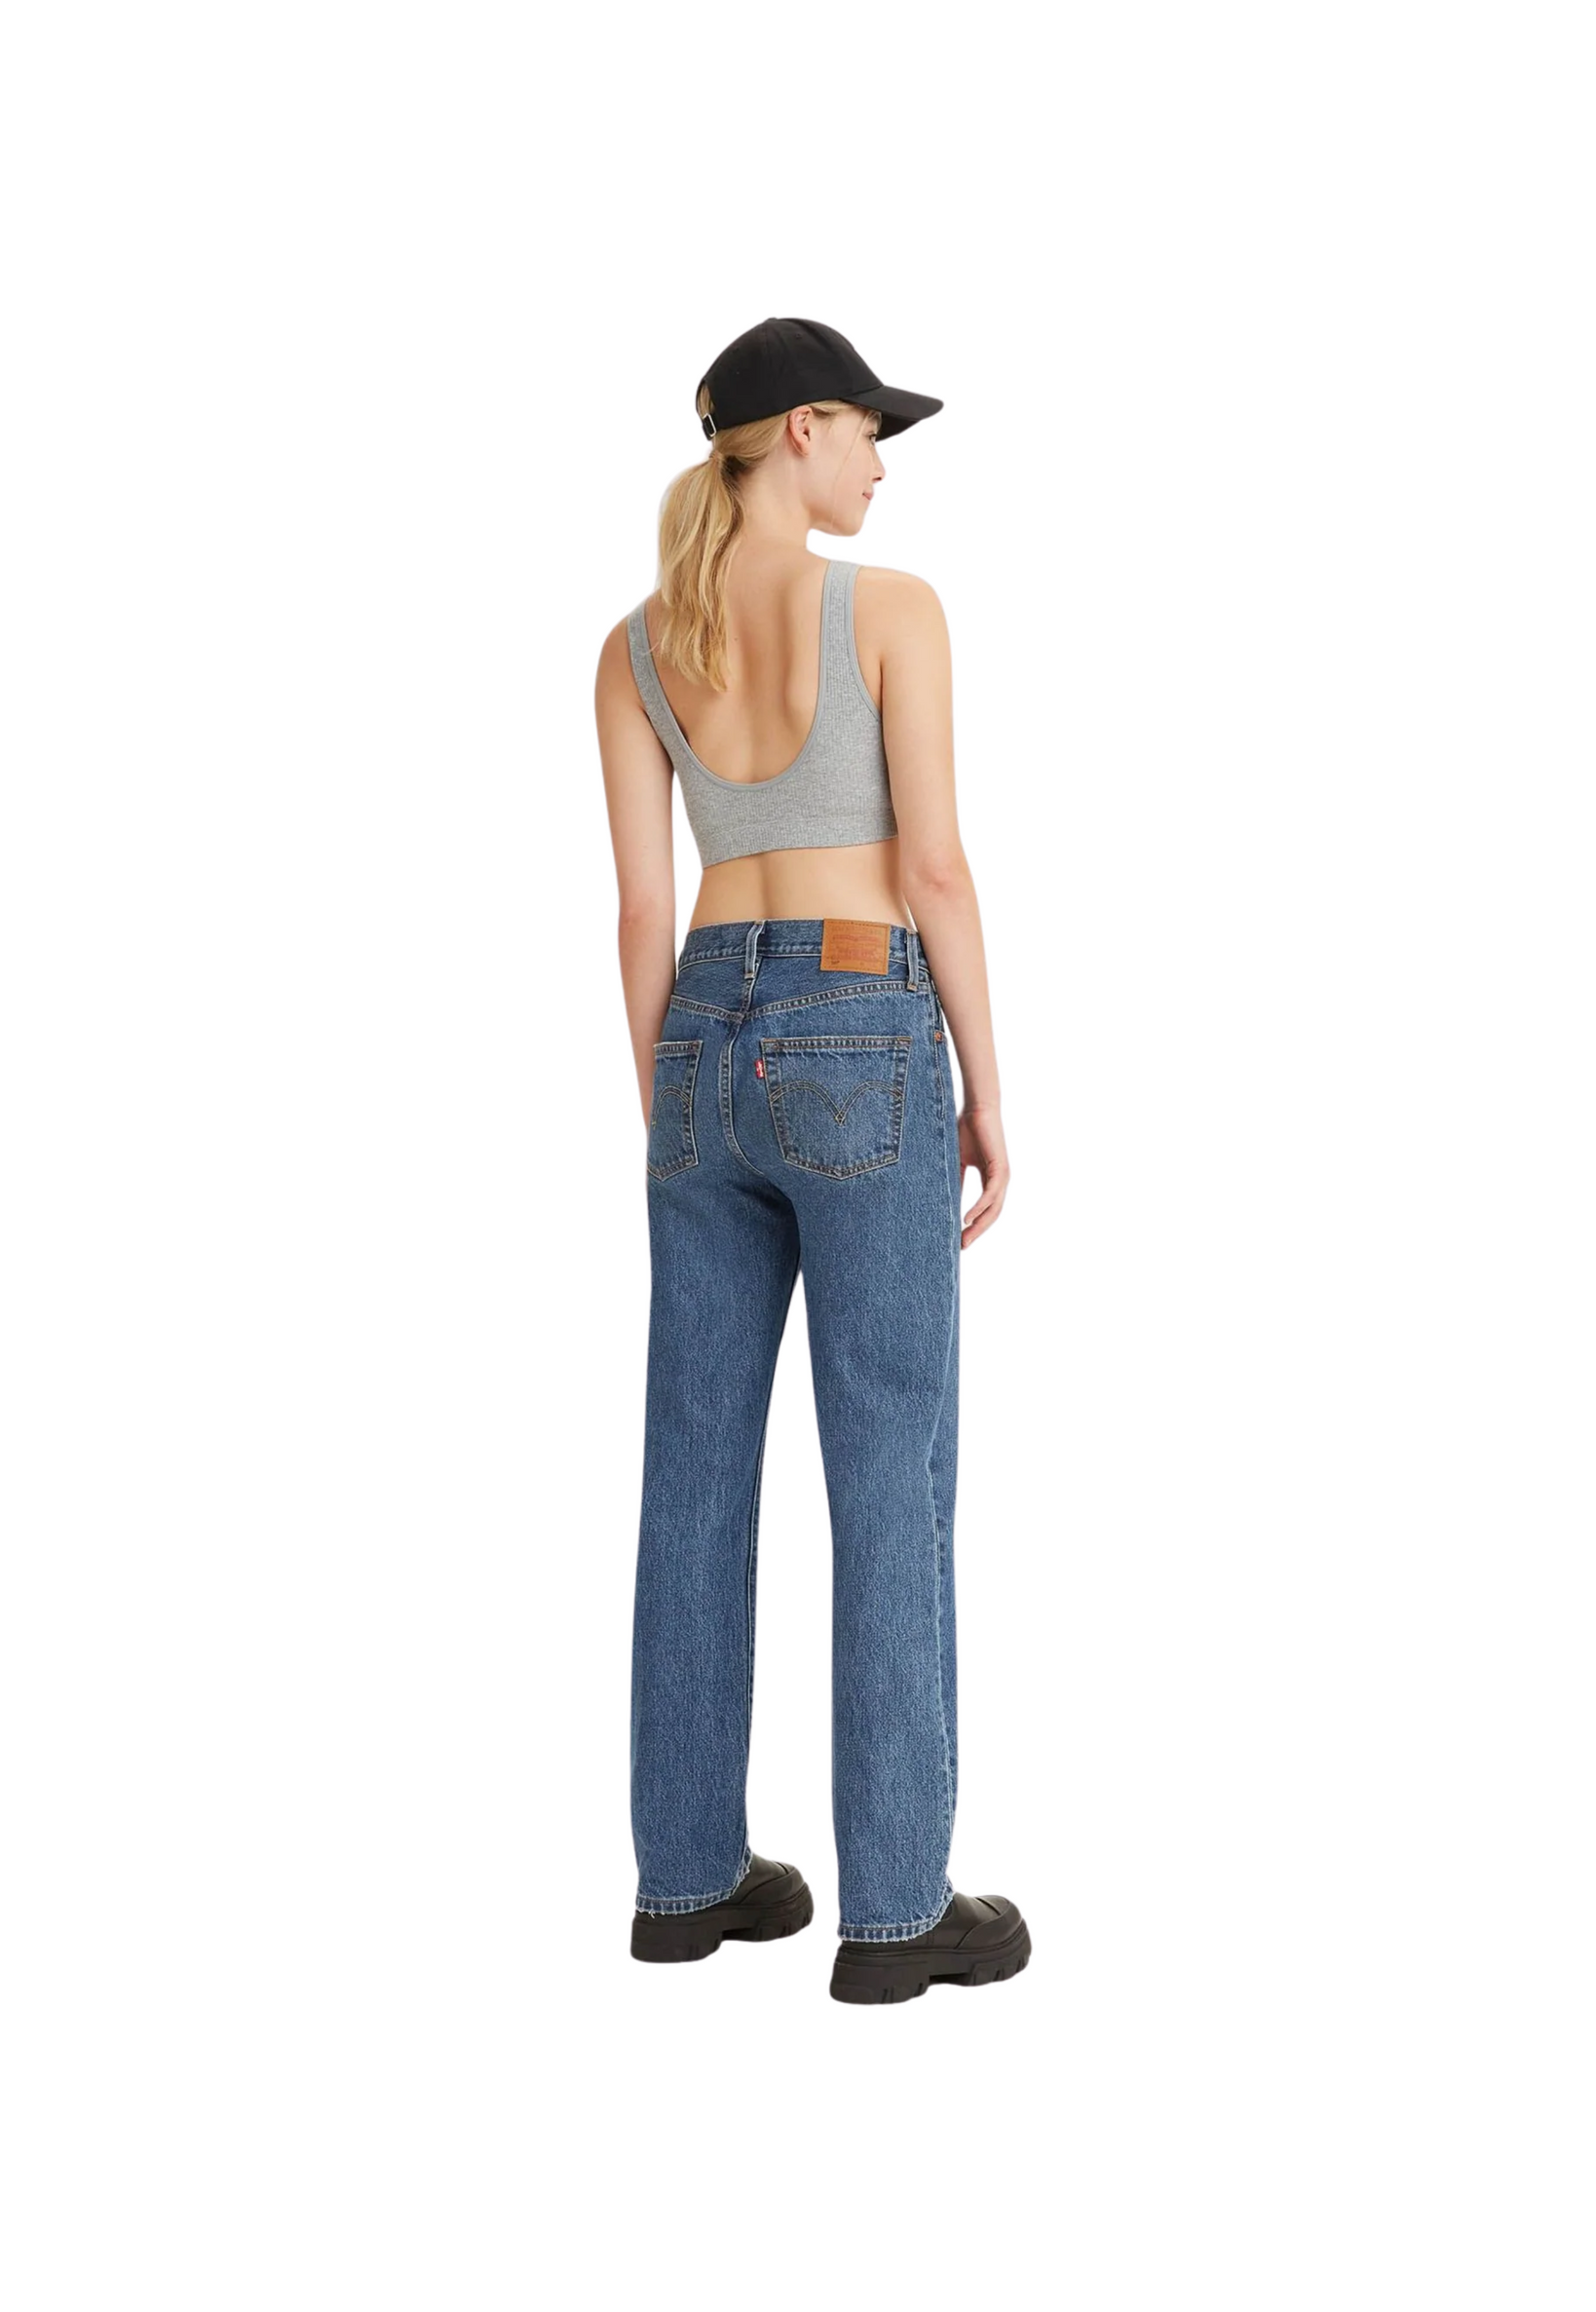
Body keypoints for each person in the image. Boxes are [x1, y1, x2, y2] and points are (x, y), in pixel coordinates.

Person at [592, 316, 1029, 2005]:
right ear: (796, 432)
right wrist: (983, 1081)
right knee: (890, 1456)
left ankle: (687, 1880)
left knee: (693, 1465)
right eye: (864, 431)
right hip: (862, 1022)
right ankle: (897, 1908)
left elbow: (641, 909)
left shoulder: (637, 647)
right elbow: (936, 870)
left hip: (700, 1031)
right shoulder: (890, 610)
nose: (878, 465)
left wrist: (677, 1104)